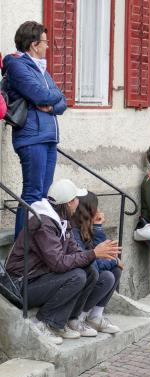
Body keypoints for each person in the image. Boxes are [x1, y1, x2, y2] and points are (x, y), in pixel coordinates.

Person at [6, 179, 121, 344]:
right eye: (76, 199)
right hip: (21, 285)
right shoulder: (43, 224)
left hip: (40, 278)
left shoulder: (61, 221)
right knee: (78, 276)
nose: (78, 202)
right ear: (68, 203)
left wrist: (95, 254)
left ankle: (69, 319)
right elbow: (58, 263)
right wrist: (94, 254)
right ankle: (43, 322)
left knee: (90, 271)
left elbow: (76, 253)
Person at [3, 22, 67, 238]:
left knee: (42, 197)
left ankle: (34, 249)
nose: (47, 47)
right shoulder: (17, 64)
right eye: (45, 42)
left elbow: (62, 102)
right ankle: (21, 253)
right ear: (33, 44)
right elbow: (41, 95)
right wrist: (49, 98)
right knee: (31, 193)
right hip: (31, 137)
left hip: (48, 137)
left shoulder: (41, 68)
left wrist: (50, 102)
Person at [70, 192, 123, 335]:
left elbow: (104, 252)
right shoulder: (73, 232)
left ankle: (95, 316)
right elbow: (91, 264)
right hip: (79, 278)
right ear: (87, 210)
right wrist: (113, 260)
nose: (98, 211)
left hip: (89, 272)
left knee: (116, 270)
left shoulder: (85, 227)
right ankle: (78, 317)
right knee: (107, 276)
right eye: (96, 208)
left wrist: (98, 227)